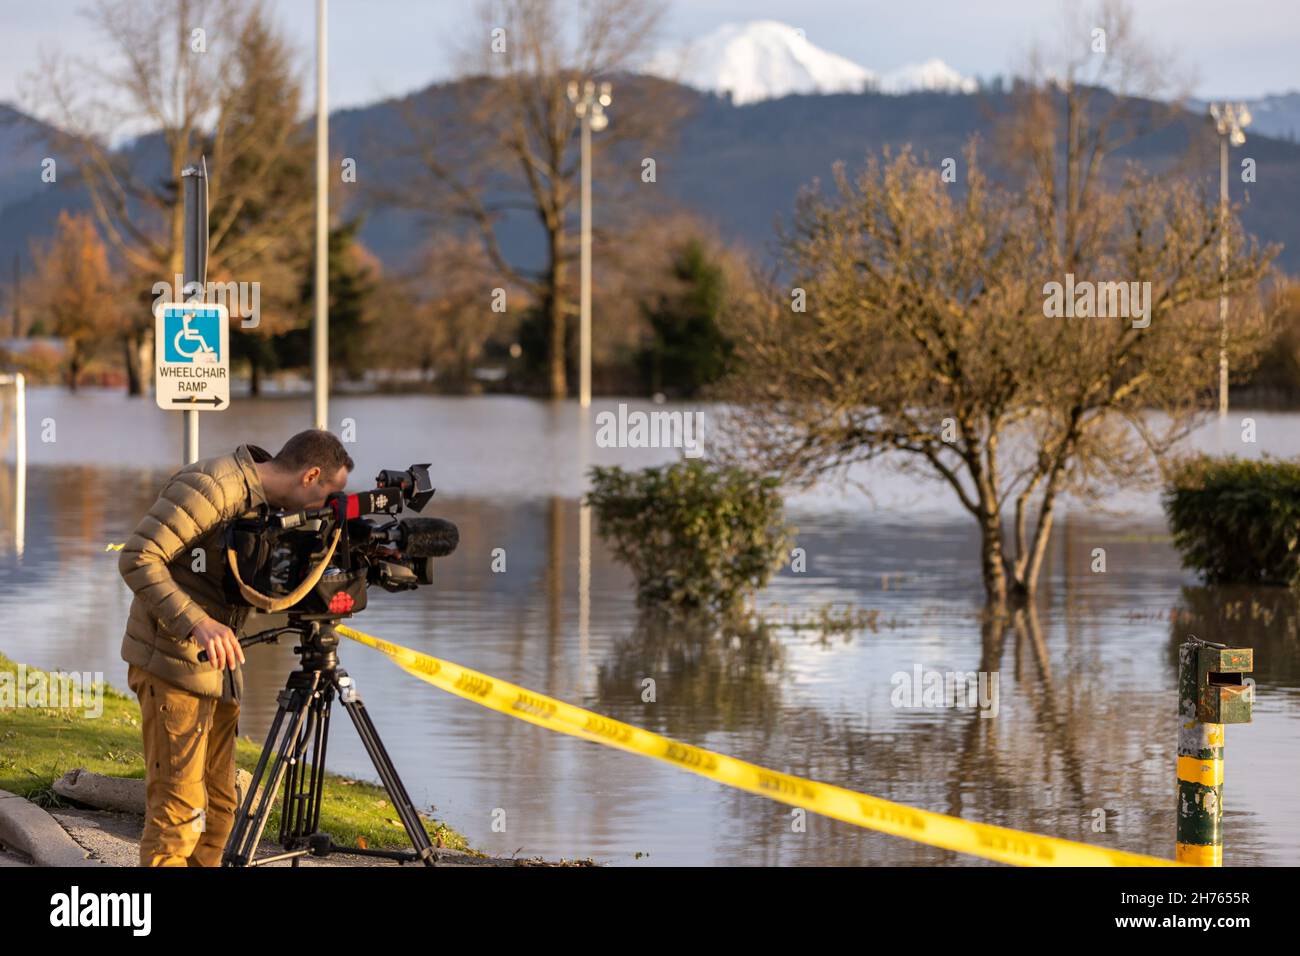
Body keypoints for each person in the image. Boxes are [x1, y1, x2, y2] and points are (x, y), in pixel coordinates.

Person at [119, 429, 353, 866]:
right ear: (311, 475)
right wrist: (198, 623)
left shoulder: (265, 507)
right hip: (171, 661)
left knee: (221, 810)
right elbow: (137, 558)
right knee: (179, 814)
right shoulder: (212, 486)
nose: (326, 509)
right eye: (329, 495)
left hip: (219, 667)